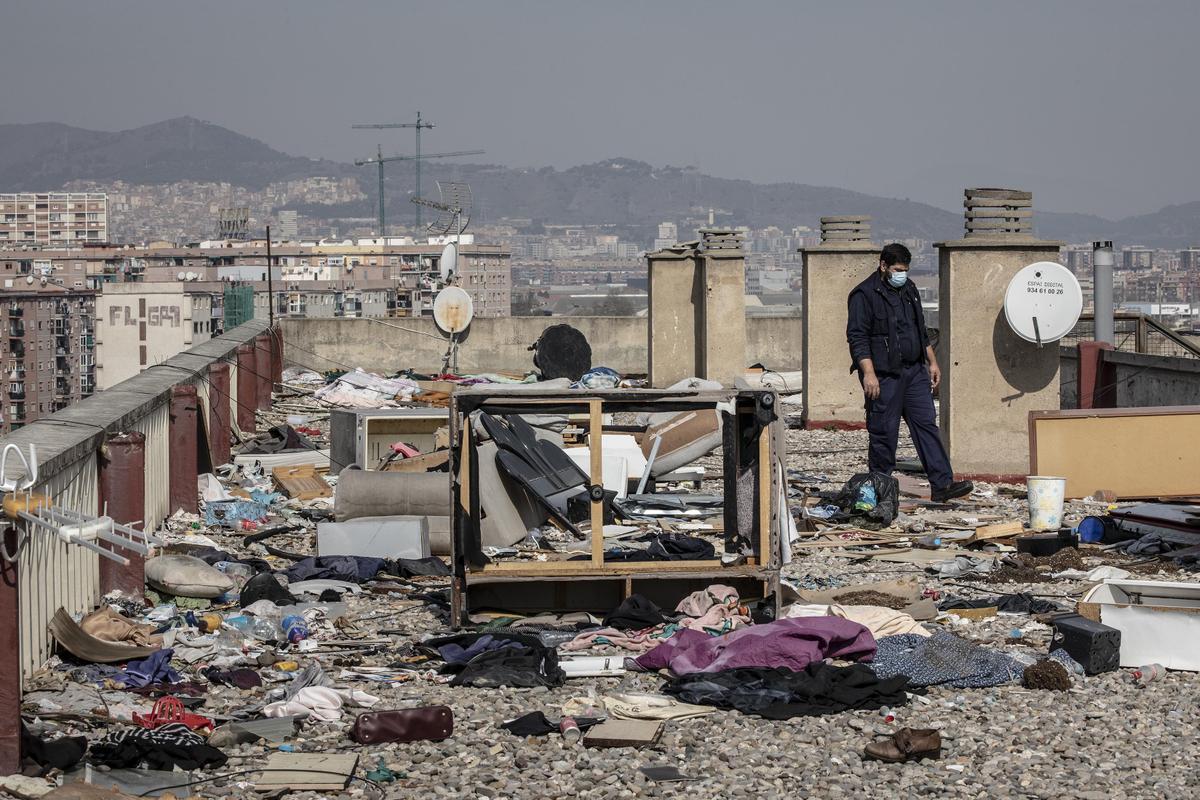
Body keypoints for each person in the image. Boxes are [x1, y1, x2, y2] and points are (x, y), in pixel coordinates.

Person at [846, 243, 973, 503]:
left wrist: (932, 362)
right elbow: (857, 337)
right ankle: (879, 492)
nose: (901, 274)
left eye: (904, 269)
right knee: (884, 433)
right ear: (883, 266)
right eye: (897, 269)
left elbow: (919, 330)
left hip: (914, 372)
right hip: (884, 375)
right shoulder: (864, 295)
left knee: (926, 425)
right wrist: (868, 373)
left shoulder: (909, 289)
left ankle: (942, 484)